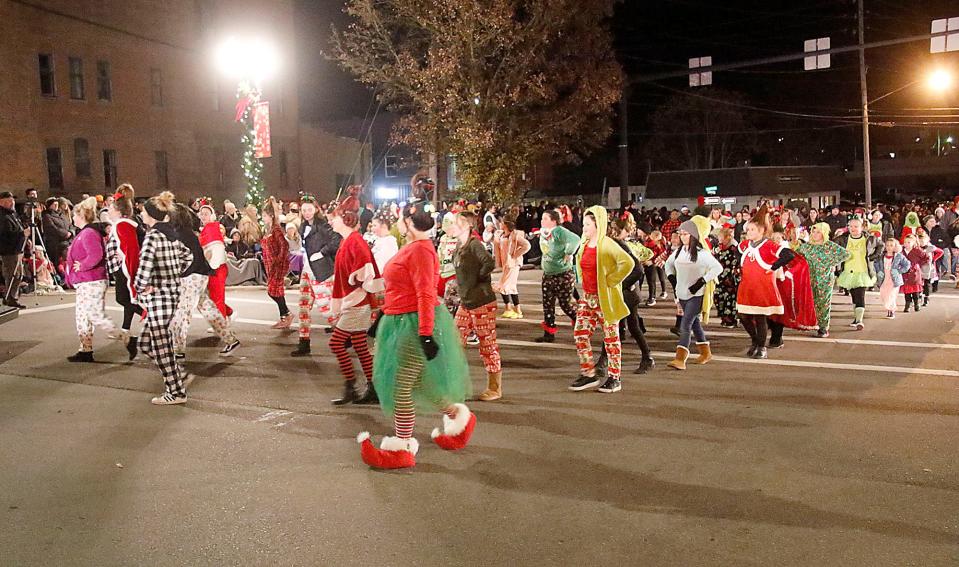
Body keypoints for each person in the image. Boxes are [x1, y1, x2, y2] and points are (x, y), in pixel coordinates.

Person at [357, 199, 474, 470]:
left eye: (400, 218)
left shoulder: (421, 250)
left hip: (413, 325)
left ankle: (402, 446)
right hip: (401, 320)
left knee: (400, 387)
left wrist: (425, 334)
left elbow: (425, 293)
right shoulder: (413, 247)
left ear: (408, 222)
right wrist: (383, 316)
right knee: (422, 383)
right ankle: (458, 420)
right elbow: (401, 288)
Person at [135, 192, 195, 405]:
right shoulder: (170, 234)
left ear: (152, 215)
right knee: (145, 342)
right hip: (171, 293)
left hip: (159, 297)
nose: (141, 214)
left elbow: (144, 269)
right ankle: (177, 377)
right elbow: (188, 256)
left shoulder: (153, 236)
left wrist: (142, 287)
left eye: (143, 211)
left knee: (160, 346)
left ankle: (176, 391)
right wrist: (174, 273)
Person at [327, 186, 384, 405]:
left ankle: (351, 386)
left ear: (346, 219)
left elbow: (366, 272)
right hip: (356, 301)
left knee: (336, 343)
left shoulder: (354, 242)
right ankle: (372, 388)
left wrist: (356, 280)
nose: (331, 222)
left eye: (334, 218)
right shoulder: (349, 240)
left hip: (357, 302)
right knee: (359, 344)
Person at [569, 206, 634, 393]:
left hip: (605, 300)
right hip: (588, 299)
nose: (584, 228)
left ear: (598, 224)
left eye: (587, 224)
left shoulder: (607, 244)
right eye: (584, 224)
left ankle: (615, 377)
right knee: (580, 334)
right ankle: (588, 373)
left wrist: (611, 280)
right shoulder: (584, 244)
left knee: (611, 339)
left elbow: (628, 263)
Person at [169, 201, 240, 358]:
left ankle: (178, 349)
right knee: (208, 308)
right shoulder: (188, 234)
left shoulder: (180, 235)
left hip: (192, 277)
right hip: (199, 275)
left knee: (183, 312)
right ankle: (230, 339)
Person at [448, 211, 504, 400]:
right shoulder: (459, 246)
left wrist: (479, 279)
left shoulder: (474, 245)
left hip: (481, 302)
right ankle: (455, 385)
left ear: (466, 226)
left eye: (455, 223)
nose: (451, 227)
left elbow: (489, 262)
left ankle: (495, 388)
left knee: (487, 343)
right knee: (455, 341)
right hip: (466, 303)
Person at [736, 206, 797, 359]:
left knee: (760, 316)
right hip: (747, 285)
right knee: (743, 315)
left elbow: (788, 255)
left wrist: (773, 267)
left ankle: (761, 347)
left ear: (761, 231)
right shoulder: (745, 245)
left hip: (763, 286)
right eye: (748, 229)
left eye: (751, 230)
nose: (748, 232)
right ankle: (756, 340)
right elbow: (738, 252)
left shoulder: (768, 245)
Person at [664, 218, 723, 370]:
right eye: (681, 233)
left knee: (685, 325)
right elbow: (668, 265)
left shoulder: (702, 254)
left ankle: (680, 358)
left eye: (685, 234)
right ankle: (705, 353)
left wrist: (702, 281)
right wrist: (672, 278)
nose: (682, 236)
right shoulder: (678, 252)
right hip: (681, 294)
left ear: (694, 235)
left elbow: (718, 268)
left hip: (696, 295)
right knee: (695, 324)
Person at [64, 197, 117, 362]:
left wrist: (83, 266)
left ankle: (125, 337)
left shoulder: (88, 233)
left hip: (90, 280)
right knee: (86, 316)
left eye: (74, 216)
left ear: (81, 216)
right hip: (87, 281)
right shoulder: (87, 232)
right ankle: (85, 349)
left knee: (90, 315)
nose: (72, 218)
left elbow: (96, 254)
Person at [290, 195, 341, 357]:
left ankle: (346, 335)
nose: (306, 213)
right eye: (304, 210)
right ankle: (304, 342)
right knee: (303, 307)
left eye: (309, 209)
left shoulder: (323, 225)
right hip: (307, 271)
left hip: (321, 271)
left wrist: (321, 253)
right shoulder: (303, 225)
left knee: (327, 308)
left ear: (316, 209)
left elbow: (336, 240)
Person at [607, 214, 655, 374]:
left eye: (614, 229)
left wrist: (620, 285)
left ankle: (647, 357)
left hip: (628, 293)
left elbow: (637, 269)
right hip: (627, 291)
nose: (611, 231)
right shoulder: (619, 243)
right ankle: (645, 357)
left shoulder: (621, 245)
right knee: (621, 327)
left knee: (627, 326)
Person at [105, 184, 146, 359]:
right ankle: (127, 332)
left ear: (118, 210)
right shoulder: (121, 224)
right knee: (127, 299)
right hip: (121, 268)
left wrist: (131, 274)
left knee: (123, 298)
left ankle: (148, 316)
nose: (108, 210)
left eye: (111, 208)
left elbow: (131, 250)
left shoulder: (123, 224)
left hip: (124, 270)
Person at [791, 223, 850, 338]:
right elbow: (795, 257)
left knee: (823, 302)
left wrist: (832, 263)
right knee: (810, 301)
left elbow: (845, 254)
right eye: (813, 231)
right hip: (809, 278)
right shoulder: (806, 247)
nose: (815, 234)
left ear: (824, 233)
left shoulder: (829, 246)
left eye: (818, 232)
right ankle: (810, 323)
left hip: (825, 278)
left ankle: (823, 328)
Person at [536, 209, 580, 343]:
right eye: (542, 218)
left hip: (563, 274)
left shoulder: (560, 231)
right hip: (548, 274)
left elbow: (576, 239)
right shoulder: (545, 232)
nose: (542, 221)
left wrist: (569, 252)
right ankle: (549, 333)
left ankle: (581, 324)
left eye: (545, 219)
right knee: (548, 305)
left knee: (565, 304)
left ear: (554, 221)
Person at [834, 218, 881, 330]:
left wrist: (873, 257)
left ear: (861, 227)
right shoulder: (842, 239)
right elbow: (833, 249)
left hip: (863, 272)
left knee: (860, 295)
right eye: (851, 226)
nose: (853, 229)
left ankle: (859, 320)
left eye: (856, 226)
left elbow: (881, 246)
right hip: (848, 272)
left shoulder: (869, 239)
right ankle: (856, 317)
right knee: (854, 296)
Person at [260, 197, 293, 329]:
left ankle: (286, 315)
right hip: (270, 264)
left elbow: (284, 245)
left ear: (271, 216)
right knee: (276, 291)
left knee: (273, 291)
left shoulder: (276, 230)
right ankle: (285, 316)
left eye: (264, 216)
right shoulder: (269, 230)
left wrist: (278, 260)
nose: (263, 218)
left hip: (277, 265)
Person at [198, 202, 232, 319]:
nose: (203, 216)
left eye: (206, 214)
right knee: (213, 295)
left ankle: (222, 321)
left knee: (216, 295)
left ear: (212, 215)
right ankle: (228, 312)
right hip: (213, 267)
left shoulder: (211, 228)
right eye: (201, 214)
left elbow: (216, 249)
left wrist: (212, 266)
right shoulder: (208, 228)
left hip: (216, 267)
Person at [493, 217, 530, 319]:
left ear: (506, 224)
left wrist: (516, 254)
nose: (500, 224)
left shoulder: (515, 235)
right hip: (506, 264)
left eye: (502, 222)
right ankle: (514, 309)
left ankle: (510, 308)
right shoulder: (500, 234)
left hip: (513, 264)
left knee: (504, 286)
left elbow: (527, 245)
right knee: (511, 287)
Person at [0, 192, 28, 308]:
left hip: (17, 248)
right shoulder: (2, 216)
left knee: (18, 274)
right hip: (8, 250)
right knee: (12, 274)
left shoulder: (12, 214)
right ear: (2, 202)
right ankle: (11, 297)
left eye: (12, 200)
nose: (12, 203)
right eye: (9, 201)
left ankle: (11, 296)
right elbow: (4, 234)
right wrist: (22, 234)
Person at [875, 238, 910, 319]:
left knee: (891, 295)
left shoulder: (899, 256)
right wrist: (878, 271)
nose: (889, 247)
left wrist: (899, 271)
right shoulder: (881, 256)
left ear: (895, 246)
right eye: (887, 245)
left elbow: (907, 264)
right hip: (884, 278)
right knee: (884, 294)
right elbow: (876, 264)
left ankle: (891, 311)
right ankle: (889, 308)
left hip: (894, 279)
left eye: (891, 245)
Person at [714, 228, 741, 328]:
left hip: (730, 278)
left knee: (730, 300)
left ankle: (731, 320)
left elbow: (736, 263)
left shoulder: (733, 249)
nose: (719, 238)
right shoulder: (719, 248)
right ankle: (723, 318)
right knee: (718, 297)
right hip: (719, 277)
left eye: (721, 236)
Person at [41, 197, 72, 270]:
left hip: (66, 242)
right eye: (54, 204)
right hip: (55, 244)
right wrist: (65, 234)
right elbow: (52, 228)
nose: (56, 206)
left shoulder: (62, 215)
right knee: (57, 263)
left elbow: (70, 225)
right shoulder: (47, 216)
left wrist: (71, 232)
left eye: (57, 204)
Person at [901, 234, 929, 313]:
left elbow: (926, 257)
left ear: (913, 243)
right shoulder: (902, 251)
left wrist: (918, 264)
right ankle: (907, 305)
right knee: (907, 291)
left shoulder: (917, 250)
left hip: (915, 273)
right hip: (905, 273)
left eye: (909, 242)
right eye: (905, 242)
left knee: (915, 290)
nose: (906, 244)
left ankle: (917, 304)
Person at [369, 206, 399, 274]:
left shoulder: (388, 243)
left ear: (384, 226)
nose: (372, 229)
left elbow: (381, 268)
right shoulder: (380, 240)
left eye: (375, 226)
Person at [917, 231, 943, 306]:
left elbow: (940, 252)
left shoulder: (930, 247)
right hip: (919, 268)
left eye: (923, 240)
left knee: (926, 283)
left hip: (928, 268)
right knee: (919, 283)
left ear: (927, 240)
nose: (921, 242)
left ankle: (926, 298)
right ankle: (919, 296)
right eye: (920, 241)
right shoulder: (917, 248)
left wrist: (934, 259)